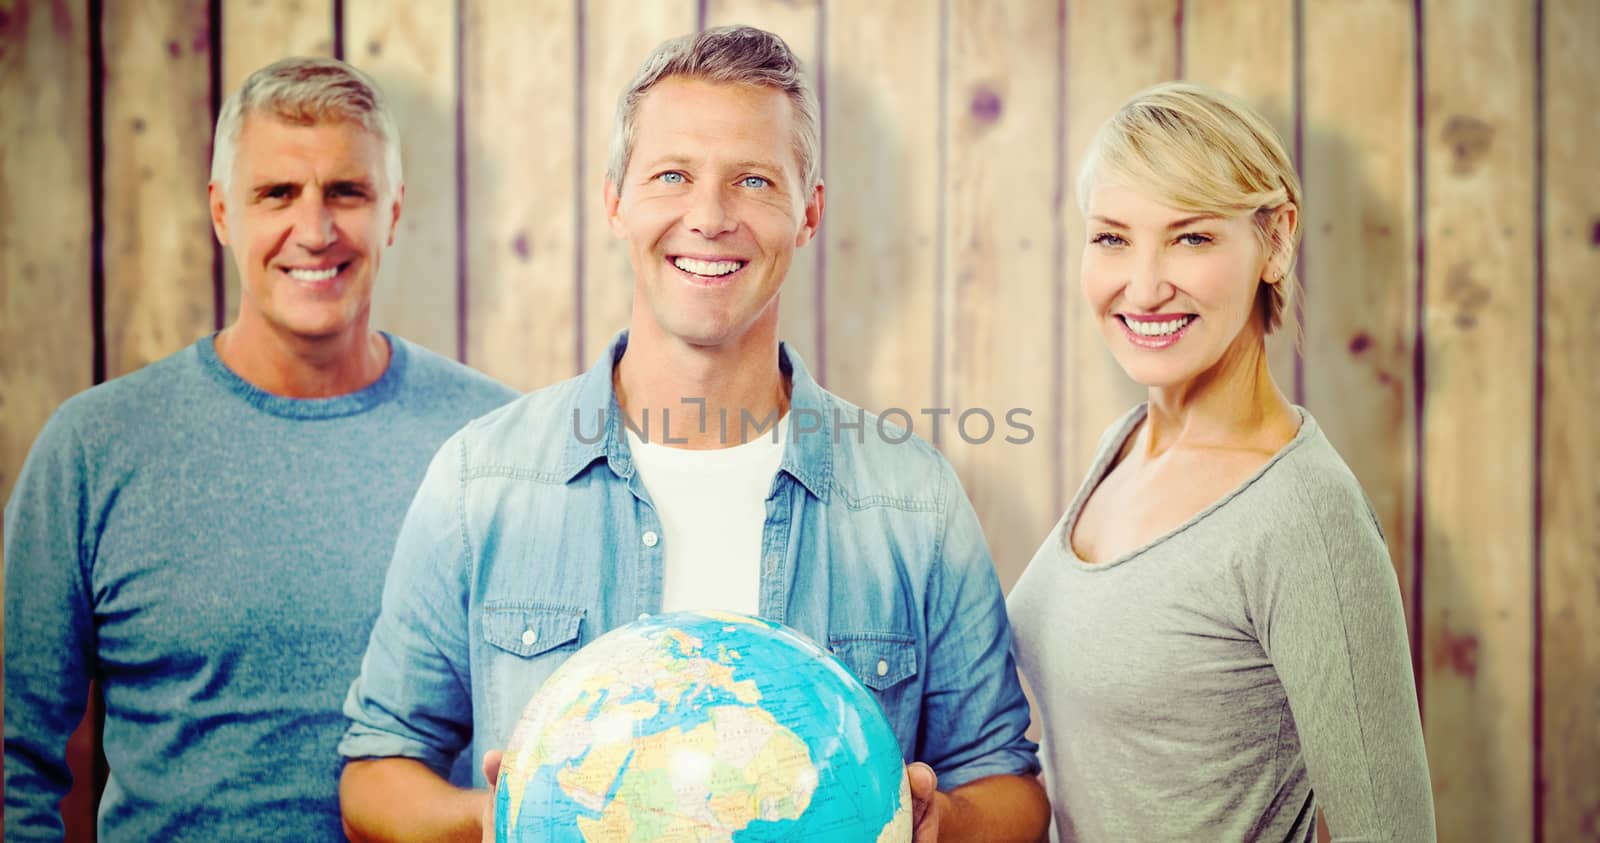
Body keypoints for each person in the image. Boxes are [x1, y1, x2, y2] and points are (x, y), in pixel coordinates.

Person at [337, 25, 1048, 843]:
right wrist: (497, 819)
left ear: (810, 210)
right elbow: (375, 773)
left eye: (753, 180)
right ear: (615, 199)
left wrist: (941, 820)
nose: (709, 218)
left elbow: (1012, 791)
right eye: (672, 175)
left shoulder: (913, 500)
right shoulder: (481, 479)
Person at [3, 57, 516, 841]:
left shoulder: (491, 444)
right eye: (277, 193)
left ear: (394, 211)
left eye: (347, 192)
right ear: (220, 212)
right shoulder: (93, 448)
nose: (314, 231)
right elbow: (14, 757)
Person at [1007, 81, 1435, 841]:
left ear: (1276, 242)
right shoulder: (1127, 444)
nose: (1143, 286)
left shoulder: (1304, 517)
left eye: (1191, 237)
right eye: (1112, 237)